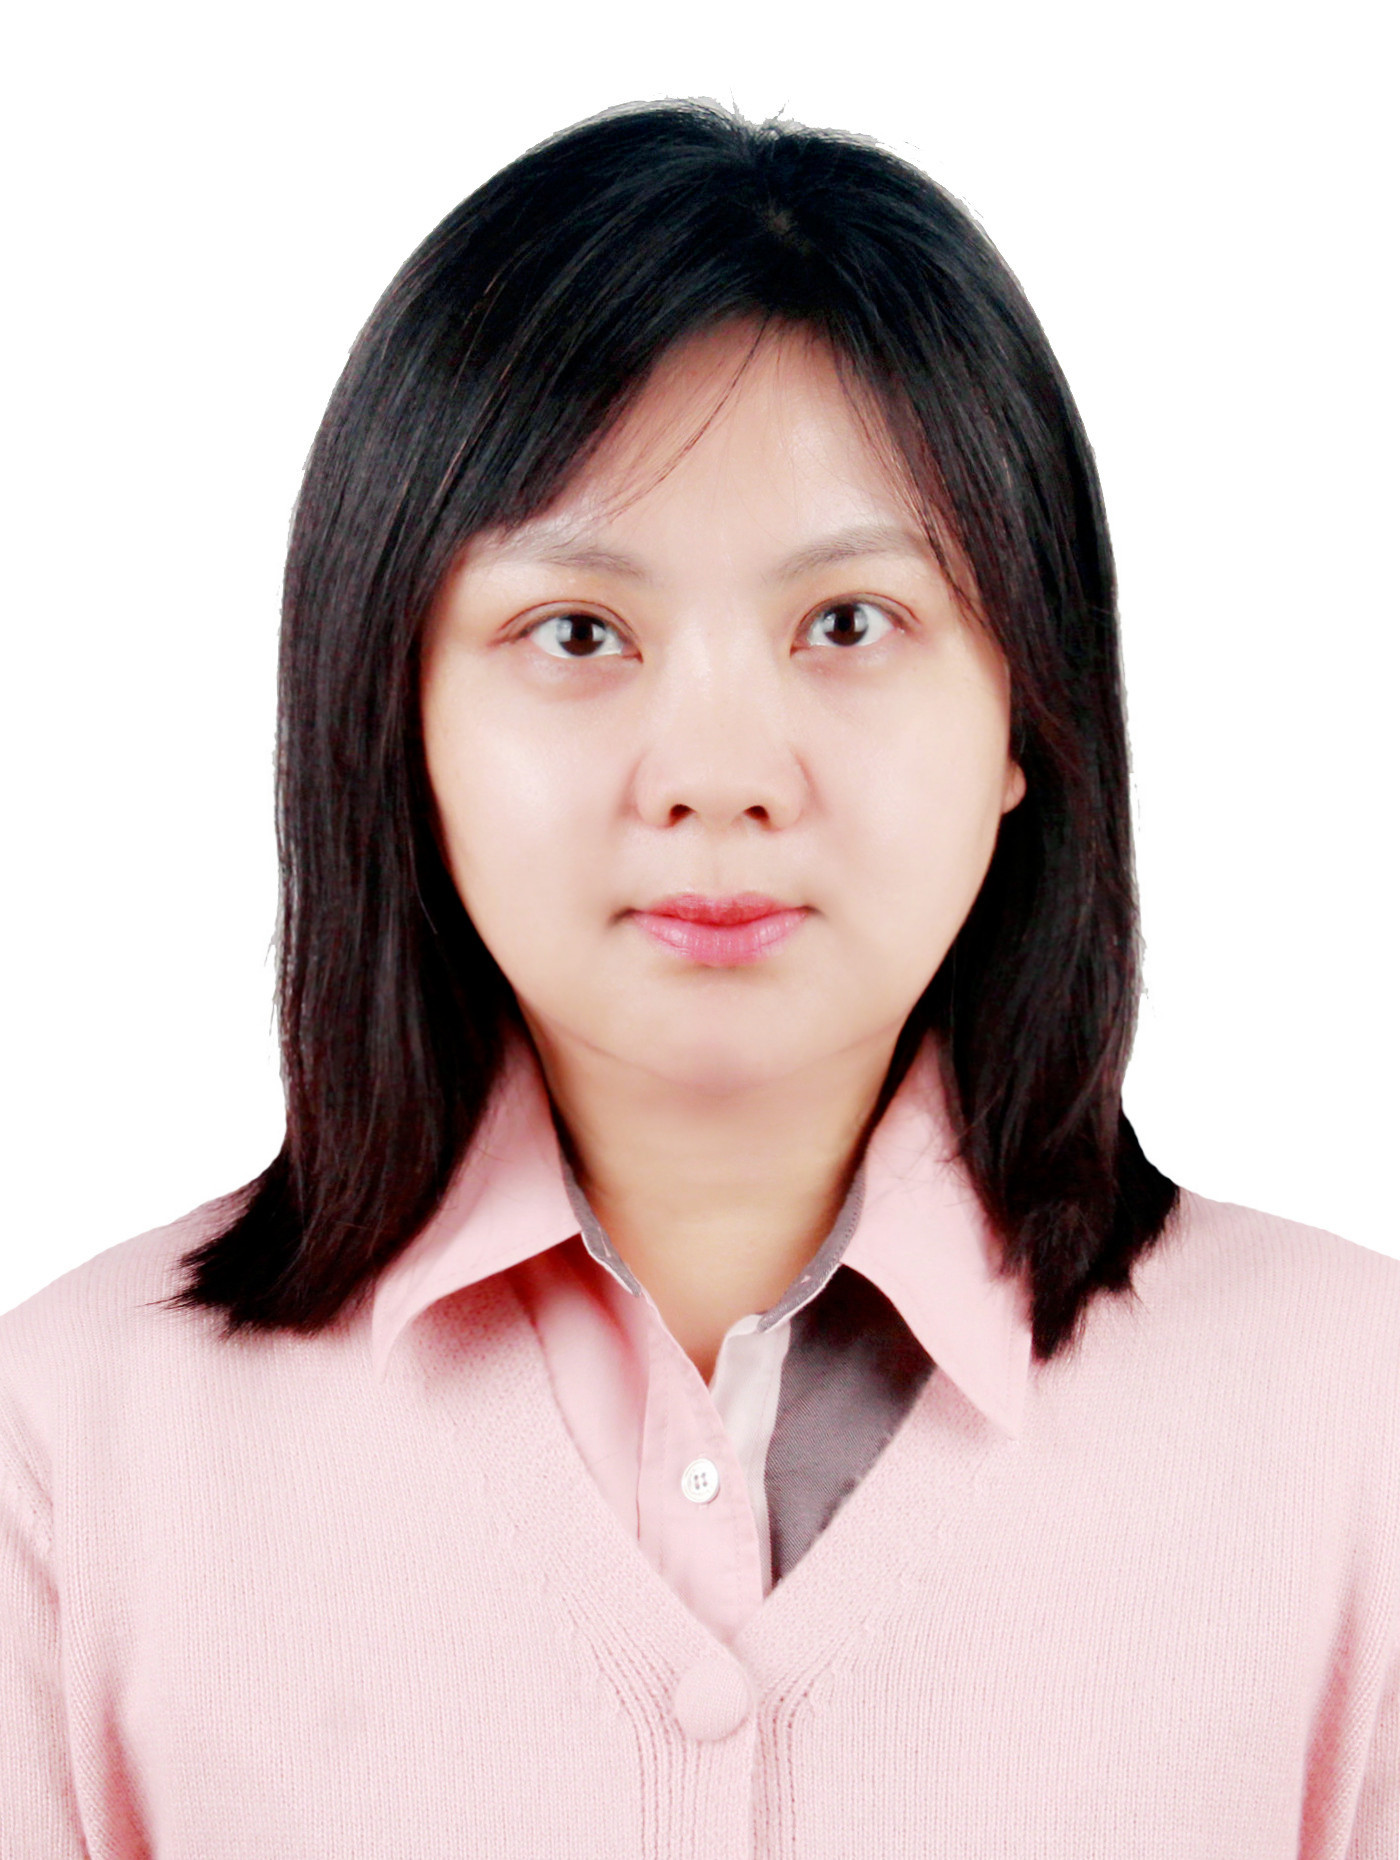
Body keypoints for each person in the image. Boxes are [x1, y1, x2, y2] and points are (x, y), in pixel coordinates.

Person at [1, 97, 1395, 1858]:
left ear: (1025, 713)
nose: (720, 773)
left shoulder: (1357, 1423)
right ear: (398, 716)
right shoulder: (73, 1449)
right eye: (578, 633)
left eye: (849, 624)